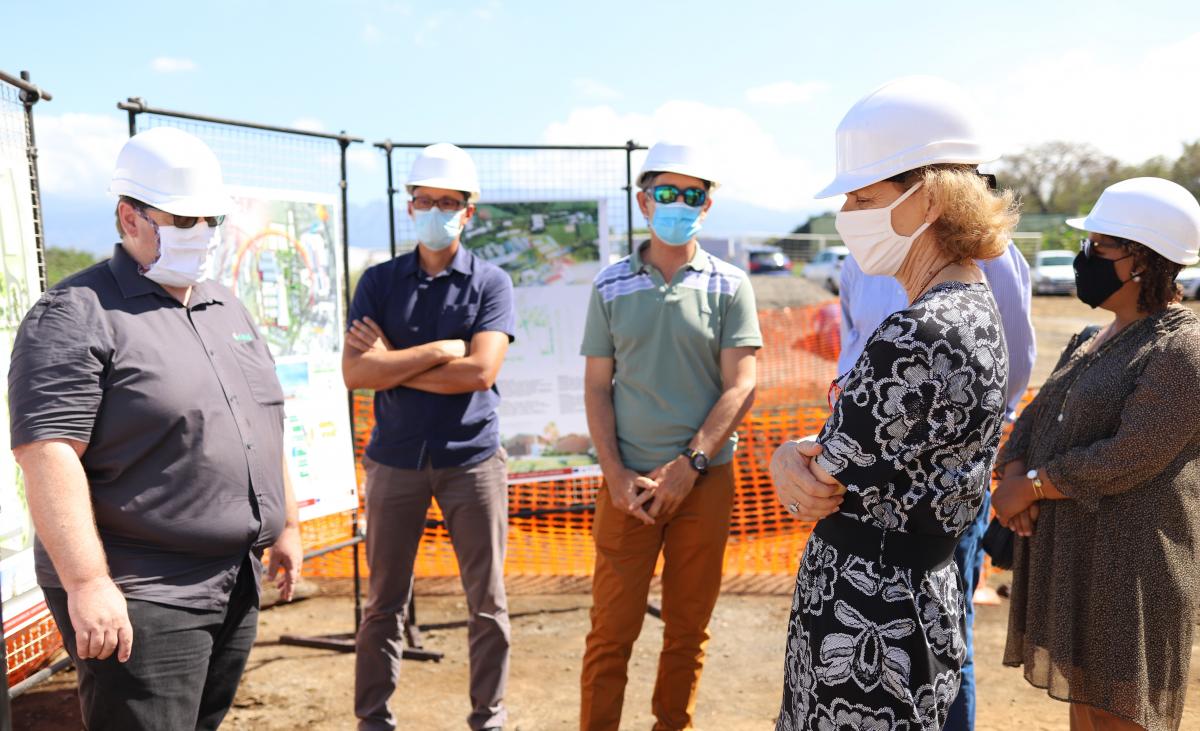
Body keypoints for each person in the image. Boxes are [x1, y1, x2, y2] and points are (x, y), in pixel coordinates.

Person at [8, 127, 301, 731]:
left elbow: (260, 421)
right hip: (144, 591)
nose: (203, 235)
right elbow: (48, 454)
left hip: (233, 580)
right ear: (129, 216)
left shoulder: (225, 305)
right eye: (185, 219)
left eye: (211, 220)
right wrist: (88, 583)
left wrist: (288, 525)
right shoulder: (74, 314)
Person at [769, 76, 1018, 730]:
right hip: (921, 600)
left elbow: (821, 479)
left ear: (927, 197)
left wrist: (782, 459)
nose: (847, 211)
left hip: (865, 614)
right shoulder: (976, 308)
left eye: (863, 195)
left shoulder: (915, 330)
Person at [992, 177, 1200, 731]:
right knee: (1086, 712)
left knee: (1120, 715)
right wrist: (1013, 474)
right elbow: (1038, 413)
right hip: (1079, 559)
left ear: (1145, 261)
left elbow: (1131, 454)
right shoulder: (1090, 335)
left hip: (1132, 573)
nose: (1087, 257)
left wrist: (1033, 486)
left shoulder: (1182, 348)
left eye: (1101, 245)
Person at [578, 141, 761, 731]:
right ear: (643, 201)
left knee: (687, 633)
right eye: (667, 193)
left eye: (693, 195)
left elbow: (741, 385)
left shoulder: (731, 285)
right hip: (625, 488)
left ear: (706, 207)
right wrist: (614, 475)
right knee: (610, 634)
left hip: (703, 485)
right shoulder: (608, 287)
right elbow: (596, 388)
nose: (679, 204)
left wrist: (690, 465)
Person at [344, 143, 516, 731]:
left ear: (469, 212)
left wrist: (395, 361)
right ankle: (373, 719)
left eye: (449, 202)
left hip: (473, 459)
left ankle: (487, 717)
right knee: (383, 603)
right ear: (409, 205)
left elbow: (480, 373)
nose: (436, 211)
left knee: (487, 603)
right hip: (394, 460)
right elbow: (356, 374)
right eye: (426, 200)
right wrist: (439, 351)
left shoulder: (492, 283)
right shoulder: (379, 282)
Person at [837, 240, 1036, 731]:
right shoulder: (857, 256)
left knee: (942, 639)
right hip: (855, 488)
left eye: (864, 194)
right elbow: (849, 350)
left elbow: (1009, 362)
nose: (854, 206)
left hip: (939, 487)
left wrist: (951, 447)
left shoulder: (990, 253)